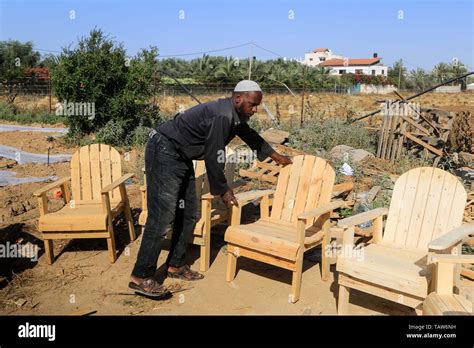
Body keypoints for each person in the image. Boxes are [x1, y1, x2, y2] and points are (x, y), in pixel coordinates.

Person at [129, 80, 292, 298]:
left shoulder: (234, 115)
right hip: (164, 149)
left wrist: (277, 157)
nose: (254, 110)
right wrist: (224, 190)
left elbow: (251, 136)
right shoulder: (222, 117)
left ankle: (175, 265)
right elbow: (214, 157)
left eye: (257, 106)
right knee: (162, 217)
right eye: (252, 105)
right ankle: (142, 276)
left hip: (180, 155)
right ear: (238, 99)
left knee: (188, 213)